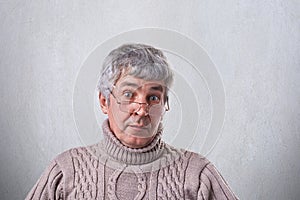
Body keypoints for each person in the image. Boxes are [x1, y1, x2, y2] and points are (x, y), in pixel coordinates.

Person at [26, 43, 238, 199]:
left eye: (153, 97)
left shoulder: (197, 175)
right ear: (104, 101)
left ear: (165, 104)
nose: (141, 109)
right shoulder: (65, 170)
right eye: (129, 94)